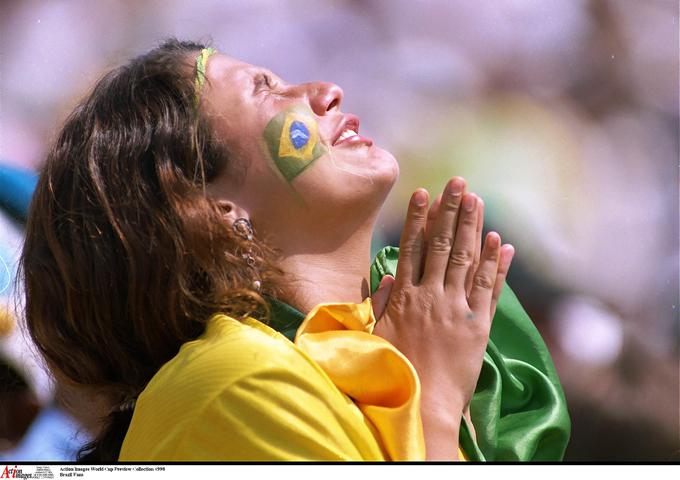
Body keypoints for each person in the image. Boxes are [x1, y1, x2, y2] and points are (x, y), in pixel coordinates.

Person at [20, 39, 570, 462]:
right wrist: (437, 405)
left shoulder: (439, 340)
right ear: (211, 208)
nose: (326, 91)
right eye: (265, 91)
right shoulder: (236, 383)